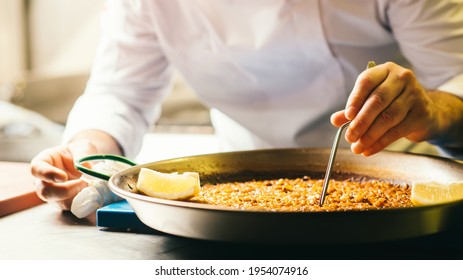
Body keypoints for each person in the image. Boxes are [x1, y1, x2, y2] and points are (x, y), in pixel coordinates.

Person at [31, 0, 463, 211]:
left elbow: (456, 80)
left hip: (407, 185)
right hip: (234, 188)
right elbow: (120, 93)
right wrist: (85, 156)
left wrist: (432, 110)